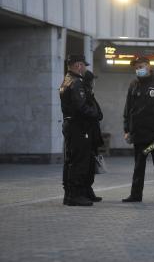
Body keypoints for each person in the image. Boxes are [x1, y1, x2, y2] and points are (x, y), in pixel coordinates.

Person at [122, 56, 154, 203]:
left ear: (149, 66)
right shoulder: (133, 84)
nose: (139, 69)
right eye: (136, 67)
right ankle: (136, 195)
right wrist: (127, 129)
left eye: (141, 66)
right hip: (139, 134)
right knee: (138, 166)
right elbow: (128, 109)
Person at [60, 55, 101, 206]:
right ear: (78, 65)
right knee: (79, 161)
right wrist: (95, 112)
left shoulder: (67, 80)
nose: (85, 68)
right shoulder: (76, 83)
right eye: (84, 65)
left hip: (71, 126)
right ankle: (75, 195)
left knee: (71, 160)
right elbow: (81, 107)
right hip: (78, 127)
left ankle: (71, 194)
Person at [82, 70, 104, 202]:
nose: (94, 82)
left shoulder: (90, 94)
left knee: (91, 166)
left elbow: (99, 114)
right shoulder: (85, 94)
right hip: (87, 135)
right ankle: (84, 191)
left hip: (93, 136)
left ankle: (89, 190)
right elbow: (95, 113)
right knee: (86, 165)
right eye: (92, 80)